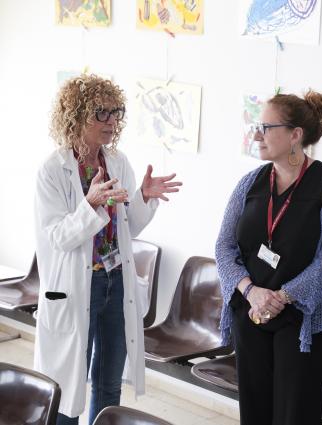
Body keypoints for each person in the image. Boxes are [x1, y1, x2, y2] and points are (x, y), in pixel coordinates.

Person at [33, 74, 182, 424]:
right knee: (67, 385)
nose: (112, 121)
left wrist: (143, 197)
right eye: (101, 112)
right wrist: (90, 204)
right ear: (76, 115)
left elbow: (129, 227)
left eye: (116, 112)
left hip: (116, 282)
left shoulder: (117, 162)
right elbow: (57, 237)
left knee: (109, 382)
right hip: (76, 287)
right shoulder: (53, 170)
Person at [215, 90, 322, 425]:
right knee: (256, 413)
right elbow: (224, 247)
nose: (257, 135)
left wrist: (281, 297)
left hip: (304, 318)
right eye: (257, 127)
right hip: (253, 311)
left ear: (295, 135)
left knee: (295, 415)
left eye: (266, 127)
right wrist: (252, 292)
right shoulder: (250, 183)